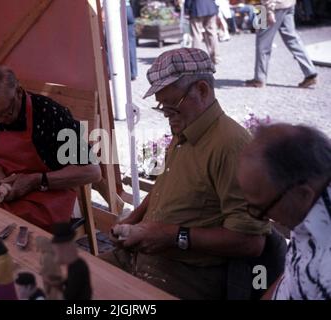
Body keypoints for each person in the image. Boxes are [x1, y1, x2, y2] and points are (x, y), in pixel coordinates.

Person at [102, 48, 270, 300]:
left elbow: (251, 242)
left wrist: (172, 236)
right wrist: (133, 220)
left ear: (202, 90)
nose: (169, 118)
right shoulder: (186, 128)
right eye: (164, 109)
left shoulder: (231, 145)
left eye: (173, 108)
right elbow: (165, 185)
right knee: (67, 280)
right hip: (145, 254)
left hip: (186, 272)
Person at [0, 66, 101, 231]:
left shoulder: (49, 114)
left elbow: (92, 171)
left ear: (19, 92)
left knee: (5, 231)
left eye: (7, 112)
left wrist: (36, 180)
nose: (1, 121)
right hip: (3, 195)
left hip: (47, 198)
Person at [237, 123, 331, 300]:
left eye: (261, 209)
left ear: (302, 194)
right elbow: (292, 276)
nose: (263, 218)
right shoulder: (308, 212)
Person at [245, 0, 318, 88]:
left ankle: (259, 79)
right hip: (288, 4)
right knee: (292, 39)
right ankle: (310, 72)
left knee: (262, 41)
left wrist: (269, 11)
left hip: (269, 6)